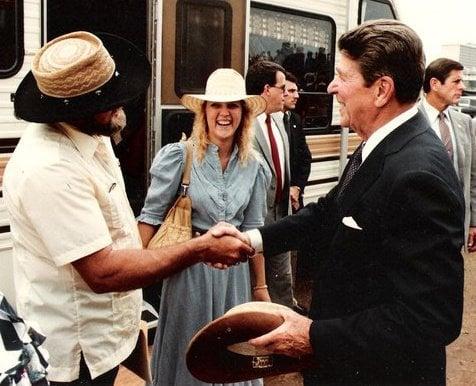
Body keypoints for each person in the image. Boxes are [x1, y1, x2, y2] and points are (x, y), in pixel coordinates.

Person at [218, 20, 465, 385]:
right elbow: (328, 213)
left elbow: (430, 318)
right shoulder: (380, 144)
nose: (331, 87)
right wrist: (251, 241)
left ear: (381, 90)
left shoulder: (417, 175)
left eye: (342, 76)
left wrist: (312, 337)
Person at [3, 32, 252, 386]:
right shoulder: (49, 166)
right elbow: (102, 272)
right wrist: (200, 248)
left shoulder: (93, 136)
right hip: (79, 355)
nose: (122, 105)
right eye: (110, 100)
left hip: (109, 337)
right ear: (77, 110)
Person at [137, 68, 271, 386]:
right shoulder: (179, 156)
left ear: (244, 113)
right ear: (204, 111)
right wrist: (129, 275)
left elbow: (255, 230)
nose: (224, 113)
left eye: (233, 106)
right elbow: (150, 219)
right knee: (189, 357)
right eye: (215, 106)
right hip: (188, 274)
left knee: (234, 358)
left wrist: (261, 288)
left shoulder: (253, 165)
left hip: (234, 280)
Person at [245, 60, 296, 309]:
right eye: (281, 88)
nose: (285, 93)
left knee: (283, 282)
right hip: (255, 222)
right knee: (255, 287)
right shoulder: (243, 125)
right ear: (266, 90)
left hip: (281, 218)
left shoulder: (278, 122)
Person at [419, 58, 476, 252]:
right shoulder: (410, 118)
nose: (462, 87)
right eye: (456, 81)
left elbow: (473, 177)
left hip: (453, 229)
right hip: (418, 228)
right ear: (434, 84)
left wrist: (473, 222)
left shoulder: (465, 122)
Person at [283, 71, 312, 212]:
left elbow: (305, 158)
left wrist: (297, 188)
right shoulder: (265, 122)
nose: (297, 96)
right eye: (292, 91)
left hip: (294, 199)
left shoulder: (295, 120)